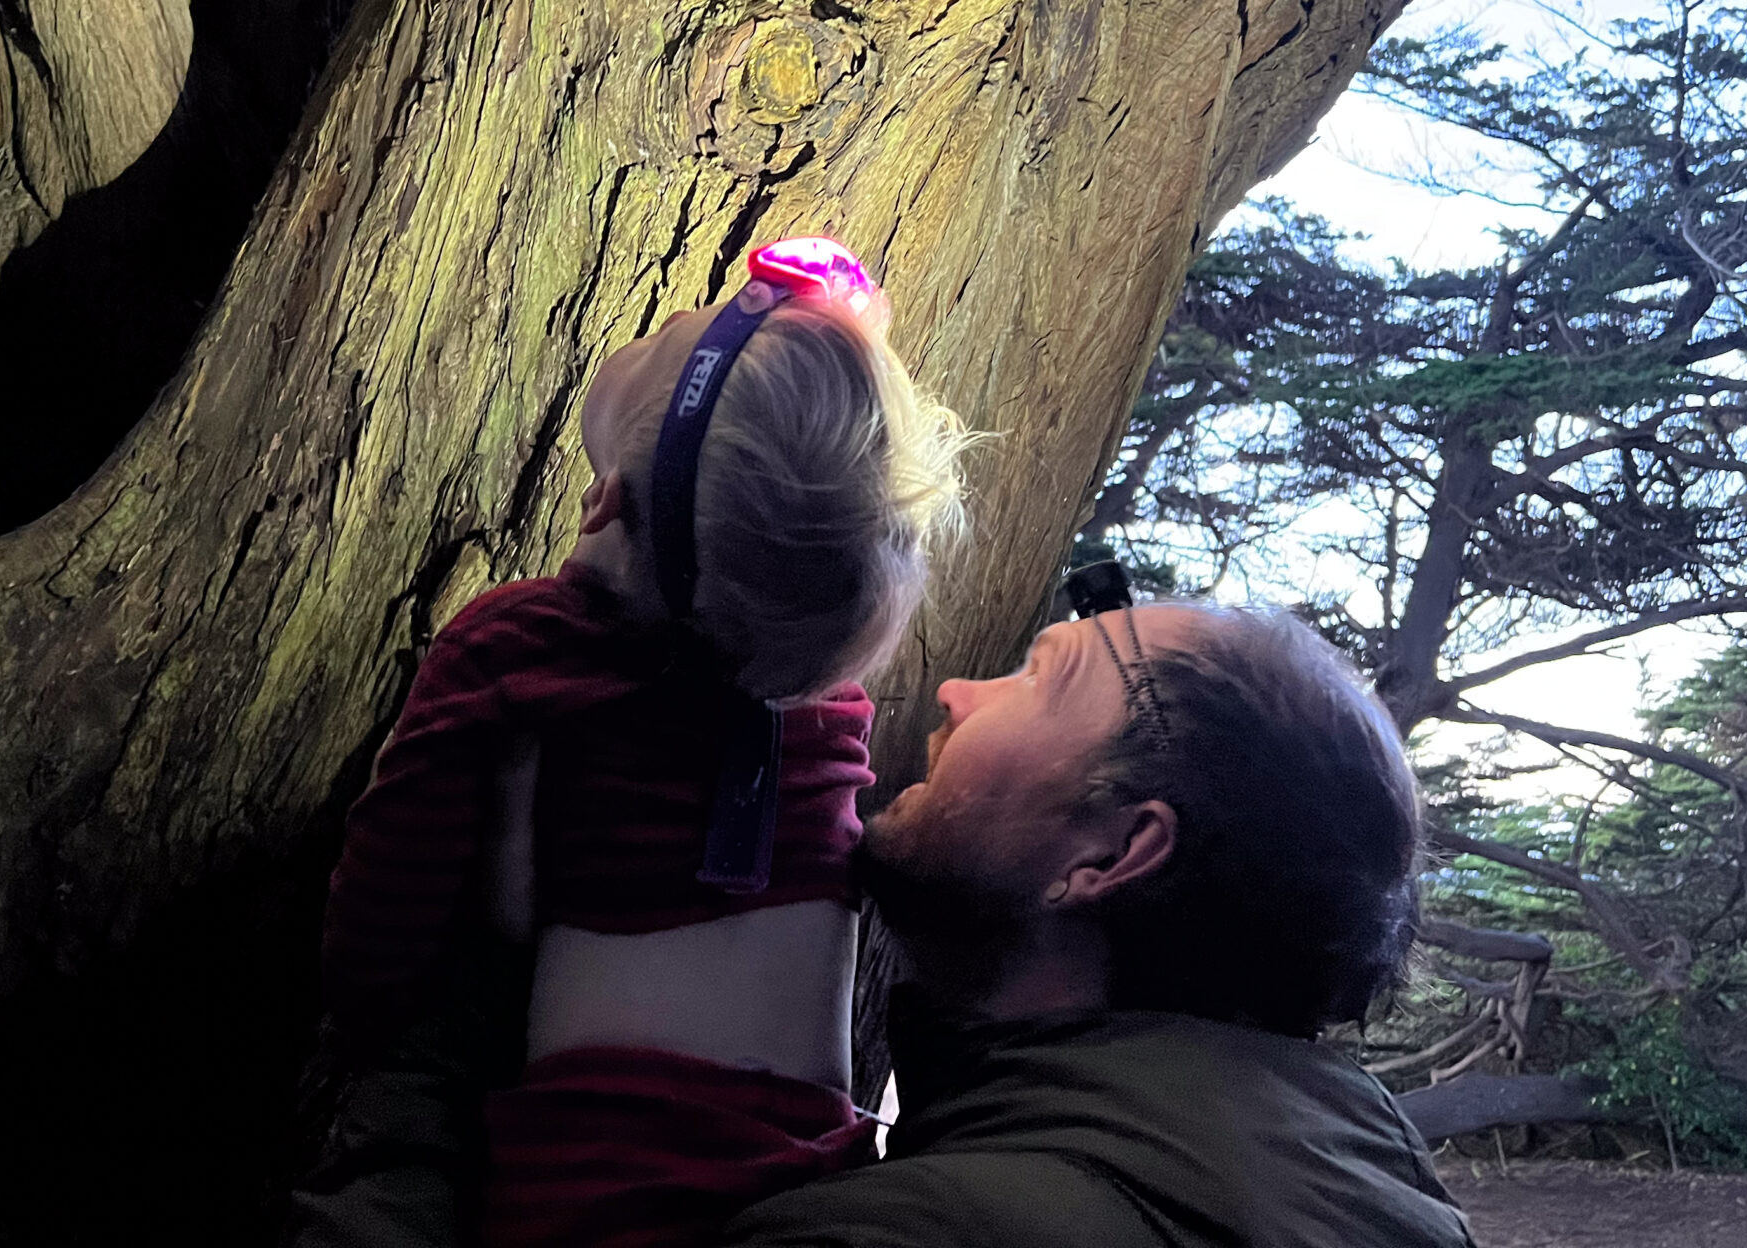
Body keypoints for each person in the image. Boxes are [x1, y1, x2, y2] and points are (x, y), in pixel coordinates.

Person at [295, 575, 1476, 1248]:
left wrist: (446, 1037)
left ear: (1113, 853)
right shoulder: (1377, 1193)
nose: (957, 691)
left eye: (1039, 678)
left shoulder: (908, 1240)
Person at [317, 238, 973, 1248]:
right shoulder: (824, 714)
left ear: (604, 500)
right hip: (800, 1177)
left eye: (674, 334)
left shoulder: (515, 649)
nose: (675, 316)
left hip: (584, 1181)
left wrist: (388, 1025)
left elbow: (382, 915)